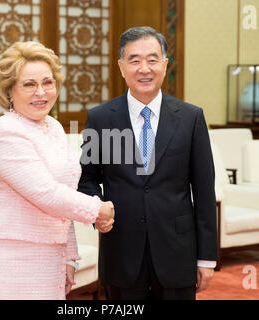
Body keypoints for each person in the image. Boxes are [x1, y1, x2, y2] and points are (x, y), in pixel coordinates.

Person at [78, 26, 218, 300]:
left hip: (177, 252)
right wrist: (98, 212)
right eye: (134, 60)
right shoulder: (101, 119)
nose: (144, 68)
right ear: (121, 67)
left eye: (152, 60)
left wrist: (207, 258)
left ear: (165, 65)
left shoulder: (191, 118)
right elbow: (87, 179)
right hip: (121, 252)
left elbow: (203, 192)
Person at [0, 41, 114, 300]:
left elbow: (65, 193)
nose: (41, 92)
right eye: (29, 84)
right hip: (8, 261)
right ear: (9, 91)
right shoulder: (6, 131)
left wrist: (69, 256)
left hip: (49, 260)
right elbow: (46, 194)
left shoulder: (54, 127)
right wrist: (98, 209)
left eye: (48, 82)